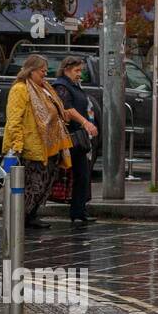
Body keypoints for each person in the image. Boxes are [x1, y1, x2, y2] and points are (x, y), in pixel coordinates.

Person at [3, 54, 72, 230]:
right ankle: (22, 217)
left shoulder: (44, 87)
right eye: (42, 70)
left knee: (44, 183)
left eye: (46, 70)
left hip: (49, 146)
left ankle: (31, 214)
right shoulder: (21, 89)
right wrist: (16, 145)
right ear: (31, 70)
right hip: (30, 147)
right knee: (33, 184)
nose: (45, 73)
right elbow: (14, 119)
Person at [53, 56, 98, 227]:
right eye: (76, 71)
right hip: (69, 136)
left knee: (82, 173)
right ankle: (77, 210)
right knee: (73, 173)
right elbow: (68, 109)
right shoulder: (62, 86)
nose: (80, 74)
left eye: (81, 70)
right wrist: (85, 123)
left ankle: (79, 210)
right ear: (66, 69)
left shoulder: (74, 85)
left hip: (79, 136)